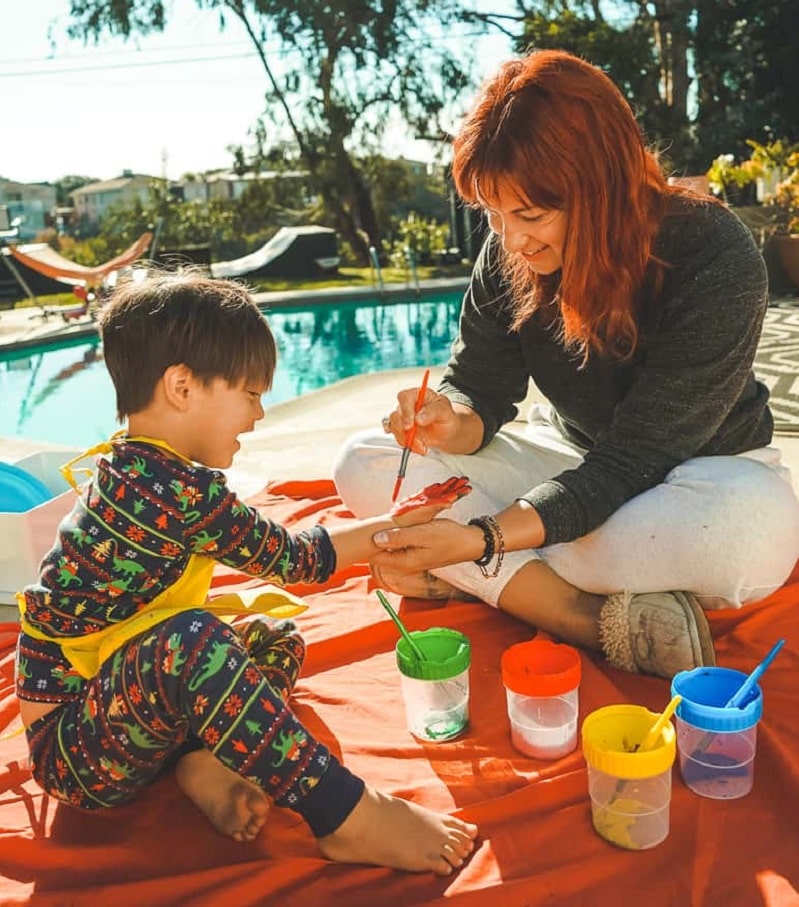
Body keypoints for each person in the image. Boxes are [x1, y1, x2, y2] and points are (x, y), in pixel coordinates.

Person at [333, 49, 799, 680]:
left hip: (705, 474)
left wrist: (479, 540)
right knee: (364, 462)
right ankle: (579, 614)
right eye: (493, 215)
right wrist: (450, 419)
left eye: (530, 215)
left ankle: (477, 577)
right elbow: (479, 390)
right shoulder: (509, 252)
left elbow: (636, 457)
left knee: (747, 542)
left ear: (602, 186)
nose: (511, 239)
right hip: (572, 467)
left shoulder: (713, 253)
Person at [14, 271, 477, 876]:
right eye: (251, 393)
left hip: (123, 704)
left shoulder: (139, 465)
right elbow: (298, 560)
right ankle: (345, 813)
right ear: (182, 386)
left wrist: (394, 519)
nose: (259, 414)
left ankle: (199, 759)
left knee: (271, 637)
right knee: (195, 645)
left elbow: (288, 556)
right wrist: (390, 524)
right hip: (77, 752)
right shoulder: (173, 492)